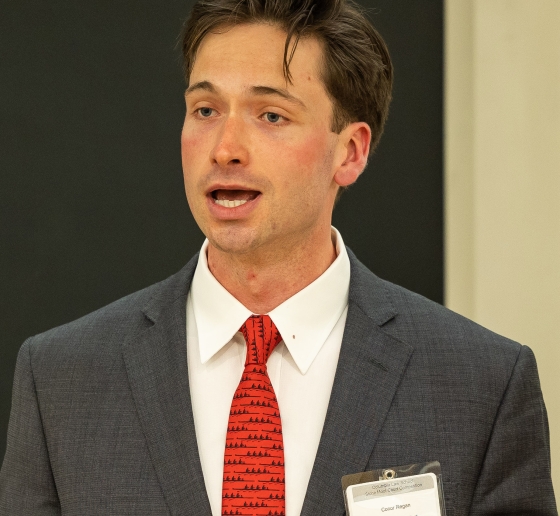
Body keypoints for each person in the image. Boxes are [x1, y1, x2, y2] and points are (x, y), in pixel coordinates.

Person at [0, 0, 556, 514]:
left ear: (351, 152)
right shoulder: (61, 380)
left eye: (270, 115)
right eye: (205, 109)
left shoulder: (483, 386)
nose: (225, 148)